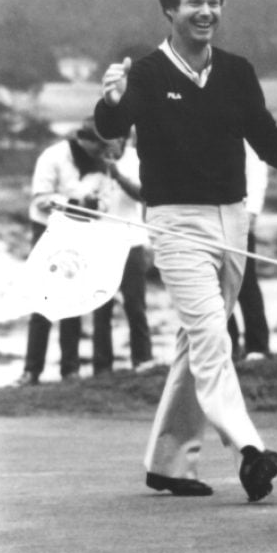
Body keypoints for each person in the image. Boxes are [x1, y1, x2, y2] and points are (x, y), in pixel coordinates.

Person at [94, 0, 277, 502]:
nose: (206, 12)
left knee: (195, 342)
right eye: (193, 3)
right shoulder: (146, 74)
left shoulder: (236, 70)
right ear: (169, 10)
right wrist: (109, 103)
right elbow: (113, 122)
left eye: (213, 2)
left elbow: (265, 135)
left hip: (233, 217)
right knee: (212, 337)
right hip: (175, 221)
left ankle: (169, 465)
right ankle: (250, 451)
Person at [16, 118, 117, 386]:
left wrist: (97, 204)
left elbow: (106, 200)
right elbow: (40, 199)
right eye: (100, 146)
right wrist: (73, 202)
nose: (103, 152)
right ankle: (31, 370)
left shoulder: (103, 165)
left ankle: (70, 370)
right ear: (85, 140)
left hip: (78, 234)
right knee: (43, 301)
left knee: (72, 300)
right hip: (47, 232)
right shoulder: (53, 156)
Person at [94, 131, 159, 373]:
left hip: (131, 242)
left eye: (107, 138)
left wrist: (117, 175)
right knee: (101, 309)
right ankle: (102, 368)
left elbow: (143, 194)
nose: (103, 145)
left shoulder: (135, 159)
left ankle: (142, 360)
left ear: (121, 139)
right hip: (100, 244)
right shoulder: (93, 162)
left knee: (135, 304)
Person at [227, 143, 271, 361]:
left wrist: (253, 210)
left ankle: (257, 345)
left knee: (246, 282)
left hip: (240, 214)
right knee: (215, 284)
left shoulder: (240, 125)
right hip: (209, 217)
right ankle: (229, 345)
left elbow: (256, 168)